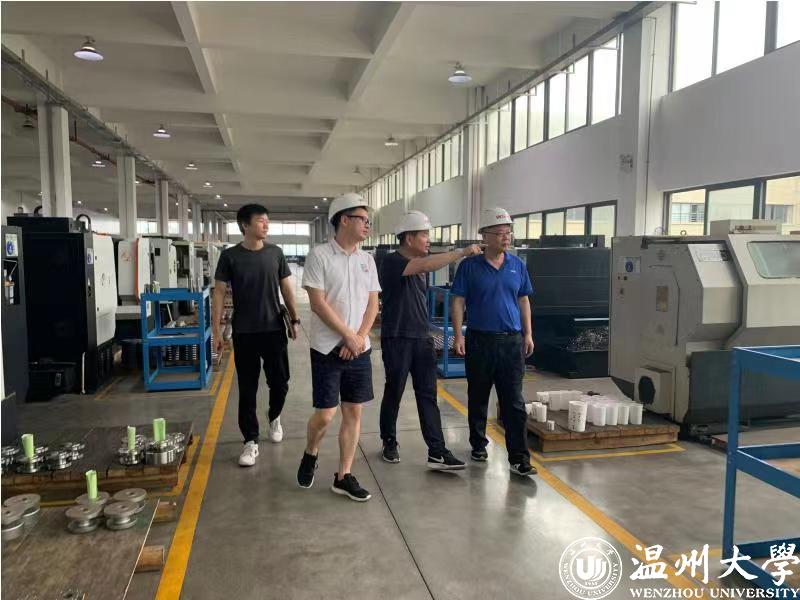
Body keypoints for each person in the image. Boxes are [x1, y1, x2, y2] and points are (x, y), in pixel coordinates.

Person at [379, 210, 482, 469]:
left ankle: (437, 451)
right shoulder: (392, 262)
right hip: (397, 337)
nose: (428, 240)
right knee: (394, 391)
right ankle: (389, 441)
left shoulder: (419, 264)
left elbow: (424, 267)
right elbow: (425, 265)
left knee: (428, 395)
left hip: (421, 338)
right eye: (424, 235)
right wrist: (461, 252)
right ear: (408, 238)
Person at [296, 193, 380, 502]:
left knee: (353, 412)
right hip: (327, 348)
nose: (367, 225)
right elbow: (318, 303)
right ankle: (311, 450)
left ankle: (343, 476)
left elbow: (373, 304)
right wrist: (347, 335)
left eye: (368, 221)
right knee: (326, 415)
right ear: (344, 220)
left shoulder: (367, 260)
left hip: (359, 347)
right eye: (363, 219)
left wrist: (358, 338)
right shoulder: (319, 256)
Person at [450, 207, 537, 477]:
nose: (505, 237)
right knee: (478, 396)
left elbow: (523, 299)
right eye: (499, 233)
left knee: (514, 401)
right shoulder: (469, 267)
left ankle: (519, 458)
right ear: (485, 236)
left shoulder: (517, 266)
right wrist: (458, 334)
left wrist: (528, 333)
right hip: (480, 341)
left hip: (511, 342)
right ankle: (478, 444)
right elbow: (458, 301)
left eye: (508, 232)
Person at [212, 204, 300, 467]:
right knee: (247, 388)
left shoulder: (275, 253)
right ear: (245, 225)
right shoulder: (230, 256)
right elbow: (219, 293)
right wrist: (216, 330)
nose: (266, 225)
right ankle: (250, 441)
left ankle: (274, 416)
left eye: (267, 220)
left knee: (280, 383)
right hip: (244, 332)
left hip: (274, 330)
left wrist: (295, 319)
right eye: (261, 221)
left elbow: (286, 287)